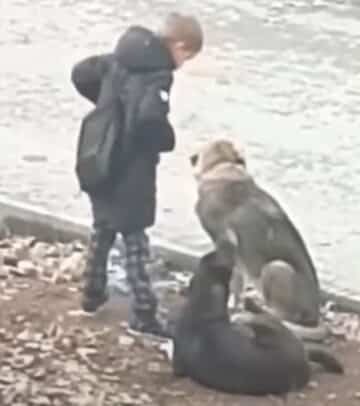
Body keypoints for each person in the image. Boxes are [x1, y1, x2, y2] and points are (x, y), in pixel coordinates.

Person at [71, 12, 203, 337]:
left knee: (102, 228)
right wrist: (166, 139)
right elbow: (149, 121)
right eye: (187, 56)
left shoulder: (120, 57)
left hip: (98, 155)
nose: (183, 64)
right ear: (179, 45)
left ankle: (92, 294)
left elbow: (81, 74)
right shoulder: (158, 75)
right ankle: (144, 313)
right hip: (132, 168)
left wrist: (107, 106)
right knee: (135, 240)